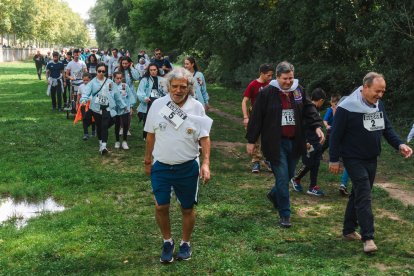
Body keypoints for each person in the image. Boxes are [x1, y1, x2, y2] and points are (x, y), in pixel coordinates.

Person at [329, 72, 413, 253]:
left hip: (371, 158)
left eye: (383, 92)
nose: (380, 95)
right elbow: (335, 136)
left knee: (358, 193)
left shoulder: (378, 105)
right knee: (364, 194)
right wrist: (334, 160)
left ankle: (348, 230)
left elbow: (386, 128)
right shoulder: (346, 107)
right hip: (352, 158)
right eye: (377, 91)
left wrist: (399, 144)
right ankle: (368, 238)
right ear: (365, 87)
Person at [144, 67, 213, 263]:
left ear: (189, 88)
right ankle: (167, 241)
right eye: (174, 86)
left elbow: (205, 138)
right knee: (160, 206)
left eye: (183, 87)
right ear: (168, 86)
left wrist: (206, 163)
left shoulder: (197, 107)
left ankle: (185, 243)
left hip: (187, 167)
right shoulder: (158, 105)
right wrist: (147, 160)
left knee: (187, 208)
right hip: (162, 166)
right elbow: (150, 135)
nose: (178, 90)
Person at [246, 61, 325, 228]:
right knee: (282, 178)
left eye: (291, 78)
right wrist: (251, 140)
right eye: (285, 78)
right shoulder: (267, 93)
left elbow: (309, 109)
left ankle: (275, 194)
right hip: (275, 143)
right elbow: (256, 118)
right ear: (277, 77)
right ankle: (285, 214)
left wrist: (317, 126)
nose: (288, 82)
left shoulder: (298, 90)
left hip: (295, 142)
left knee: (288, 175)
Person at [80, 63, 127, 155]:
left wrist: (123, 105)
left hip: (107, 108)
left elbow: (117, 95)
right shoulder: (92, 82)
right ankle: (101, 142)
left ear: (105, 72)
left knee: (105, 125)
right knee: (99, 125)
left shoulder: (110, 82)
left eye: (103, 71)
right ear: (96, 71)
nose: (101, 73)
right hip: (96, 108)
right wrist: (84, 100)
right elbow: (86, 93)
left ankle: (104, 146)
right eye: (99, 71)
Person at [290, 88, 326, 196]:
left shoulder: (316, 110)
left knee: (316, 164)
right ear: (321, 100)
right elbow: (302, 127)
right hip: (309, 143)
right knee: (309, 163)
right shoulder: (308, 110)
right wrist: (305, 141)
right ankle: (296, 179)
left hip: (317, 142)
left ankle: (312, 187)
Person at [241, 64, 274, 173]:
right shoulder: (253, 85)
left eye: (271, 75)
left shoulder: (271, 84)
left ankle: (268, 160)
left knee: (268, 138)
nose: (270, 78)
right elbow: (244, 101)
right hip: (255, 115)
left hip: (268, 115)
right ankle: (256, 162)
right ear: (262, 74)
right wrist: (246, 117)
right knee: (255, 138)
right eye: (268, 75)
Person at [136, 63, 167, 140]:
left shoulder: (162, 80)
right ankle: (146, 135)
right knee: (147, 118)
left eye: (154, 70)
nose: (153, 71)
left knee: (159, 118)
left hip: (159, 102)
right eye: (151, 70)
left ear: (157, 70)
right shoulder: (144, 80)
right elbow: (140, 91)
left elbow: (166, 91)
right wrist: (144, 98)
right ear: (149, 71)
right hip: (149, 102)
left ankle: (158, 134)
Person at [112, 71, 136, 149]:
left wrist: (130, 106)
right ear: (114, 78)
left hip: (125, 108)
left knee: (125, 124)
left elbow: (130, 96)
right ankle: (117, 141)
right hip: (116, 109)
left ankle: (125, 141)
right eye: (117, 78)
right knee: (117, 124)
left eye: (120, 78)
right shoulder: (111, 86)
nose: (119, 80)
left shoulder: (125, 86)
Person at [75, 72, 95, 140]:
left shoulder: (93, 86)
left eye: (87, 80)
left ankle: (93, 132)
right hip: (83, 104)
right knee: (84, 119)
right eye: (84, 80)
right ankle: (86, 134)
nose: (85, 82)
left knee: (93, 118)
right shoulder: (81, 86)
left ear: (90, 80)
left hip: (91, 104)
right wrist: (77, 103)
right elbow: (79, 95)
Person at [66, 49, 87, 114]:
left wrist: (85, 76)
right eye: (75, 55)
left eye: (78, 55)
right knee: (74, 95)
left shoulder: (82, 62)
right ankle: (74, 106)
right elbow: (66, 74)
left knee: (81, 94)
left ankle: (82, 107)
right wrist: (70, 77)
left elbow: (86, 72)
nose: (76, 56)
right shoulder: (70, 63)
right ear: (73, 55)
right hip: (73, 82)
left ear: (79, 54)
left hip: (81, 81)